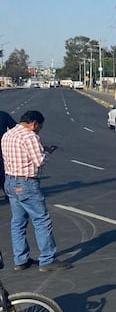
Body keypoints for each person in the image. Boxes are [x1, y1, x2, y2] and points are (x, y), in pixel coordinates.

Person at [1, 109, 73, 272]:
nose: (39, 130)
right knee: (41, 220)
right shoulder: (30, 136)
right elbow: (40, 161)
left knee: (18, 222)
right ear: (34, 124)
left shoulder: (8, 135)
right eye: (39, 127)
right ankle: (47, 259)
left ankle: (21, 259)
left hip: (10, 181)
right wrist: (47, 152)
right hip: (26, 183)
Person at [0, 109, 17, 194]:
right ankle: (7, 193)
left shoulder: (3, 115)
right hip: (2, 149)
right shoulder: (3, 115)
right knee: (3, 172)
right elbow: (15, 129)